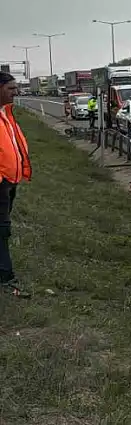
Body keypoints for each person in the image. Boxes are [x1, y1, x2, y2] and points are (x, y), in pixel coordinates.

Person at [0, 73, 31, 297]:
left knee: (3, 229)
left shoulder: (6, 113)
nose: (16, 92)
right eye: (11, 88)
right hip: (1, 183)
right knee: (2, 230)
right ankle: (5, 276)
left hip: (10, 182)